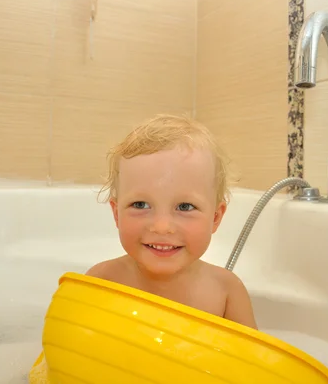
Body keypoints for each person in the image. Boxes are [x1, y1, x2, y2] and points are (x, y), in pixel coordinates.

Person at [86, 114, 257, 329]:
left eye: (185, 207)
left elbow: (251, 360)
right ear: (116, 214)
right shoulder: (102, 282)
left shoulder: (226, 292)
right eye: (140, 205)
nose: (161, 227)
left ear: (216, 217)